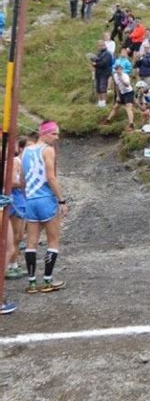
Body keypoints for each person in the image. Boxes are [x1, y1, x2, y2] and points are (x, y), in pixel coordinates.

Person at [21, 121, 68, 294]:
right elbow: (51, 177)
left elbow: (23, 177)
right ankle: (47, 280)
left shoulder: (26, 150)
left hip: (31, 199)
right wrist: (61, 200)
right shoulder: (47, 150)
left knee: (31, 241)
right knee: (53, 240)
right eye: (54, 134)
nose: (57, 138)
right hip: (46, 198)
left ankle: (32, 282)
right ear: (44, 133)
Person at [6, 137, 29, 279]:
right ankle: (10, 264)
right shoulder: (14, 161)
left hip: (18, 198)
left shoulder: (17, 161)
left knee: (18, 235)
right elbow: (11, 181)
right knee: (15, 235)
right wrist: (24, 183)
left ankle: (13, 263)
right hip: (14, 198)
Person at [103, 64, 135, 131]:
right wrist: (118, 95)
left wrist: (121, 79)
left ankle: (131, 124)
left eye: (119, 69)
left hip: (129, 92)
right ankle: (107, 120)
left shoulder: (125, 75)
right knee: (116, 107)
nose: (118, 71)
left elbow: (127, 85)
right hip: (121, 93)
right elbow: (117, 86)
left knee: (128, 107)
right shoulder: (115, 75)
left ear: (122, 70)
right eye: (117, 70)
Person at [90, 39, 113, 107]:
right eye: (99, 45)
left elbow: (104, 63)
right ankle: (100, 102)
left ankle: (104, 102)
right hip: (98, 73)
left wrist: (95, 64)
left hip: (104, 73)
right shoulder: (99, 54)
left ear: (105, 45)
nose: (101, 46)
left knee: (103, 87)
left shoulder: (108, 53)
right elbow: (97, 61)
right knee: (98, 88)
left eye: (102, 45)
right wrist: (92, 59)